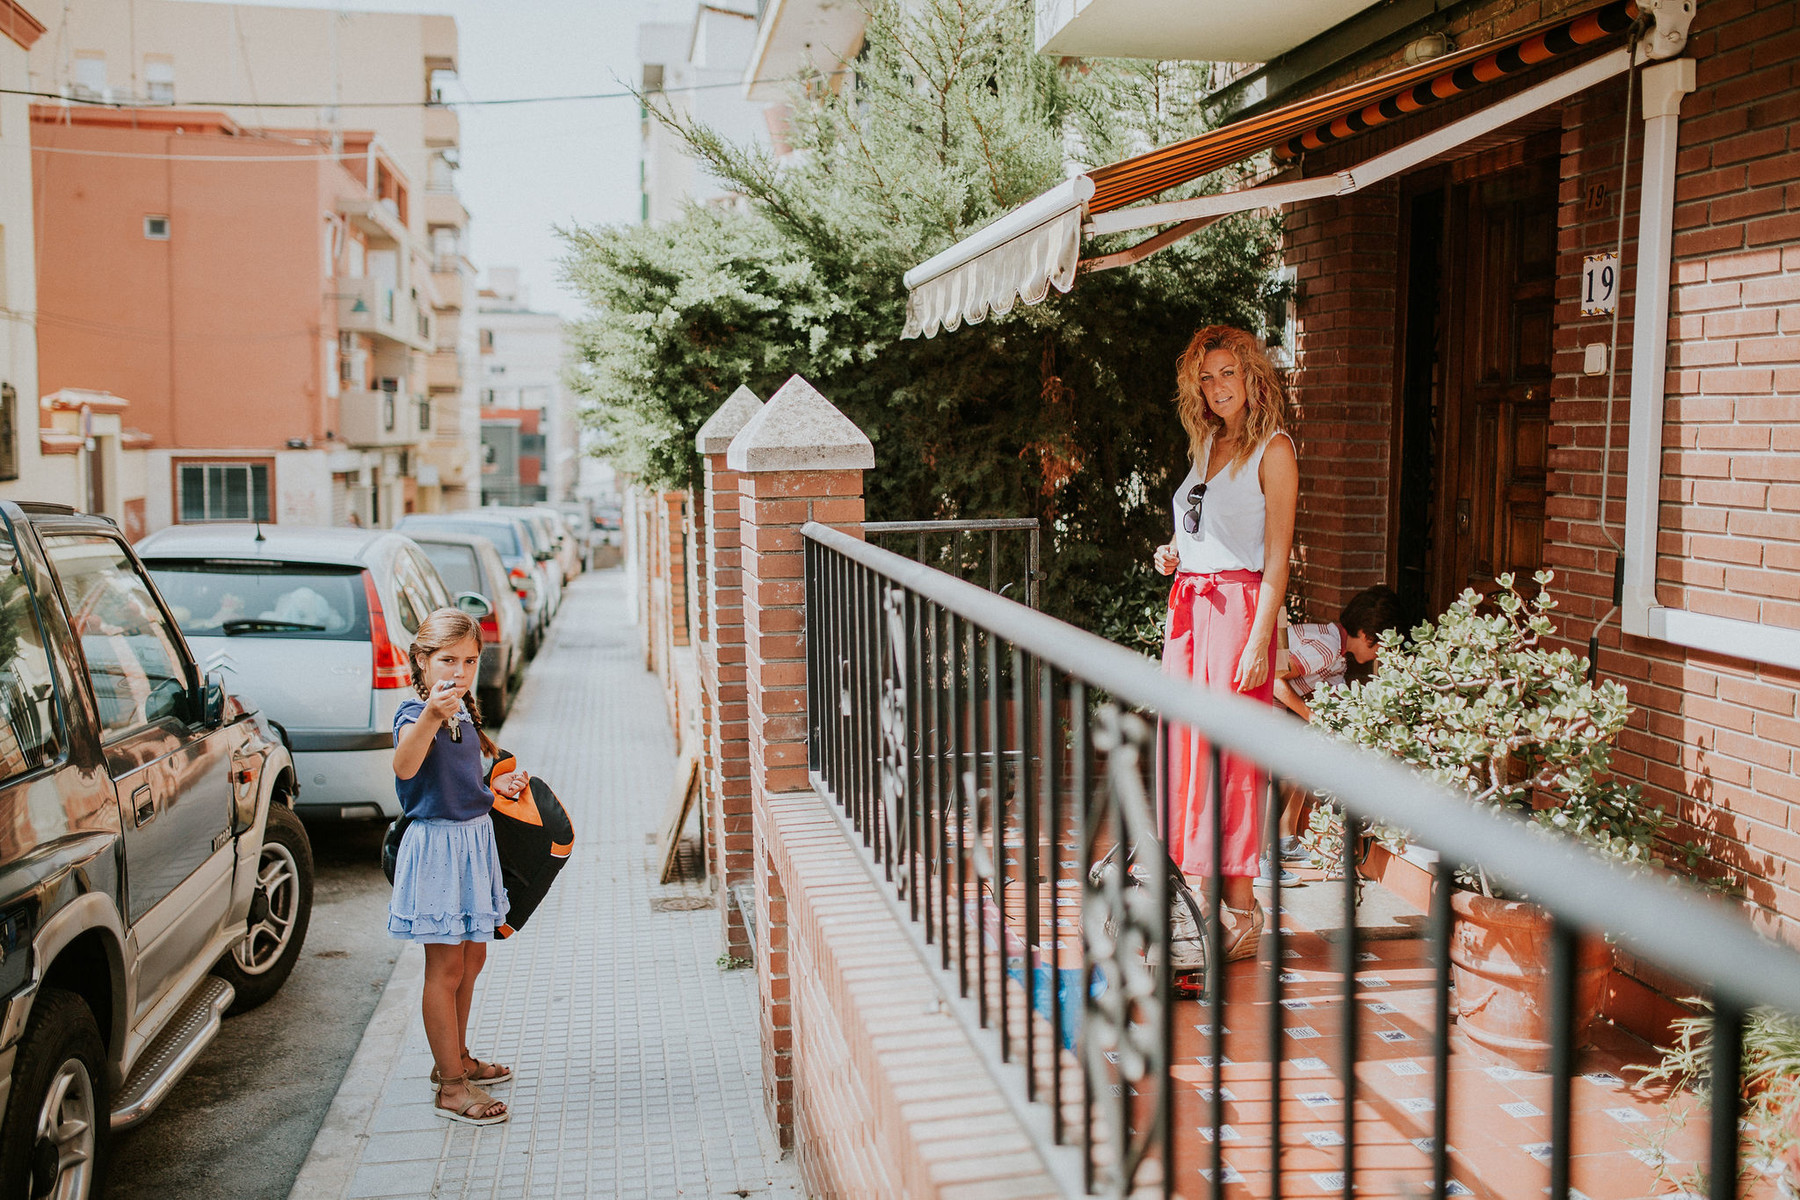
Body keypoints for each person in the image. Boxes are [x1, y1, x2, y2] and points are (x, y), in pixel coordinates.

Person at [1153, 325, 1298, 966]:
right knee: (1190, 754)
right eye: (1206, 378)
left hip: (1239, 613)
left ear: (1252, 376)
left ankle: (1241, 911)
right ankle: (1214, 907)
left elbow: (1276, 556)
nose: (1216, 388)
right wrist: (1174, 553)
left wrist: (1260, 639)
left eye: (1227, 374)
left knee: (1232, 760)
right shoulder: (1208, 444)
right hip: (1189, 610)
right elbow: (1201, 527)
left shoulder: (1274, 449)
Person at [388, 608, 532, 1126]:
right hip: (439, 852)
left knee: (472, 961)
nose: (460, 671)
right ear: (422, 661)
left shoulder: (464, 711)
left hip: (472, 843)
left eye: (470, 660)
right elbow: (405, 769)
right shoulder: (414, 712)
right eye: (448, 660)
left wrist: (494, 789)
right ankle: (451, 1087)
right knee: (444, 969)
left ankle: (459, 1059)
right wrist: (430, 714)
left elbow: (460, 783)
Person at [1269, 585, 1404, 865]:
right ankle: (1264, 852)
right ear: (1367, 636)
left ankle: (1285, 839)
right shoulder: (1328, 649)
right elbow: (1273, 678)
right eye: (1382, 645)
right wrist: (1310, 715)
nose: (1383, 653)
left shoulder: (1336, 652)